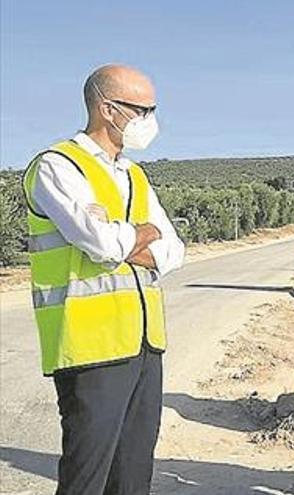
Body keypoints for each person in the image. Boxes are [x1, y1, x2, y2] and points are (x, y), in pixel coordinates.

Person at [21, 64, 185, 494]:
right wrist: (136, 235)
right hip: (90, 347)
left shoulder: (133, 174)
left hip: (145, 344)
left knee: (133, 475)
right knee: (87, 478)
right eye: (143, 110)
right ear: (108, 109)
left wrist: (131, 239)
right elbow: (100, 243)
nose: (151, 120)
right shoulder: (57, 167)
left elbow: (174, 250)